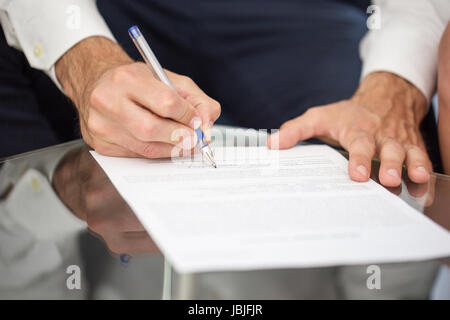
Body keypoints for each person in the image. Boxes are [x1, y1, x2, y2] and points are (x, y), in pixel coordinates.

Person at [0, 0, 449, 189]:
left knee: (374, 146)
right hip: (105, 8)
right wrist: (84, 58)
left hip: (304, 15)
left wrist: (395, 81)